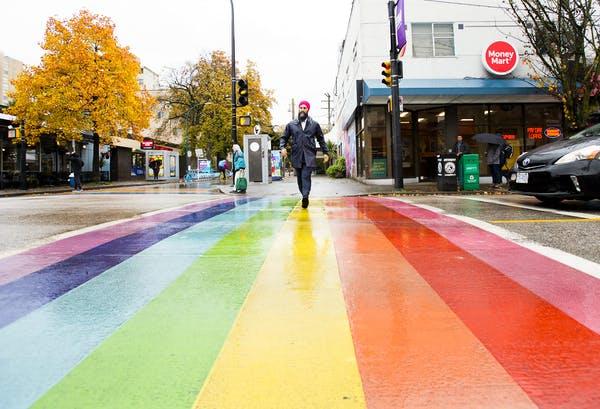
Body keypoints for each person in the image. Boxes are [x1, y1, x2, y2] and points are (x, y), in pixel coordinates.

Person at [280, 100, 329, 209]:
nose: (302, 109)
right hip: (297, 155)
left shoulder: (314, 124)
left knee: (305, 176)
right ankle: (304, 194)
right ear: (298, 109)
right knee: (299, 179)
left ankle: (305, 197)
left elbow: (321, 139)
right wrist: (282, 147)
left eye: (304, 108)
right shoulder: (291, 124)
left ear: (308, 110)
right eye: (300, 107)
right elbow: (284, 138)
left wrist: (325, 152)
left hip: (309, 155)